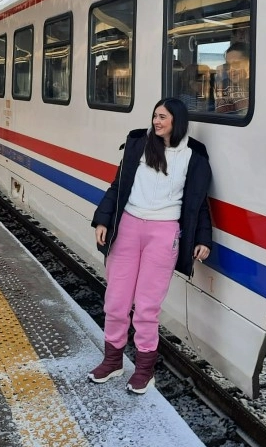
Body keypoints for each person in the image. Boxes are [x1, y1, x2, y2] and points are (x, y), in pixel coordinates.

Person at [88, 98, 213, 394]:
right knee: (116, 301)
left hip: (163, 232)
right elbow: (118, 186)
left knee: (146, 307)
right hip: (128, 226)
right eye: (155, 116)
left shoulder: (193, 156)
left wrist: (203, 239)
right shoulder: (138, 145)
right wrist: (103, 220)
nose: (156, 122)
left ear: (177, 121)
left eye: (163, 117)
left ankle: (144, 370)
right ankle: (113, 361)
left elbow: (198, 203)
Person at [213, 41, 250, 114]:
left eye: (236, 64)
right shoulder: (224, 87)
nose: (230, 70)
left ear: (250, 63)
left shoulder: (259, 86)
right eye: (227, 66)